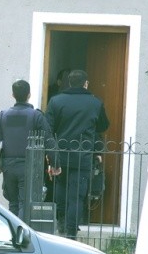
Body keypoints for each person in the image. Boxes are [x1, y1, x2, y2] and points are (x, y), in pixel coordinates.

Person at [45, 70, 109, 239]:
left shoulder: (56, 101)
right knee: (77, 196)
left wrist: (51, 156)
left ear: (69, 83)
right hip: (83, 155)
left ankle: (61, 225)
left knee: (60, 191)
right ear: (85, 83)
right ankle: (72, 232)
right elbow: (102, 126)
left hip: (61, 154)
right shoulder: (95, 103)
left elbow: (48, 128)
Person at [0, 79, 56, 219]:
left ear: (13, 95)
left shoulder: (3, 116)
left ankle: (13, 235)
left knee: (13, 203)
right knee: (25, 204)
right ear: (29, 94)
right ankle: (21, 235)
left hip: (8, 166)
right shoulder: (36, 116)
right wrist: (55, 162)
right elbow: (48, 139)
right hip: (29, 166)